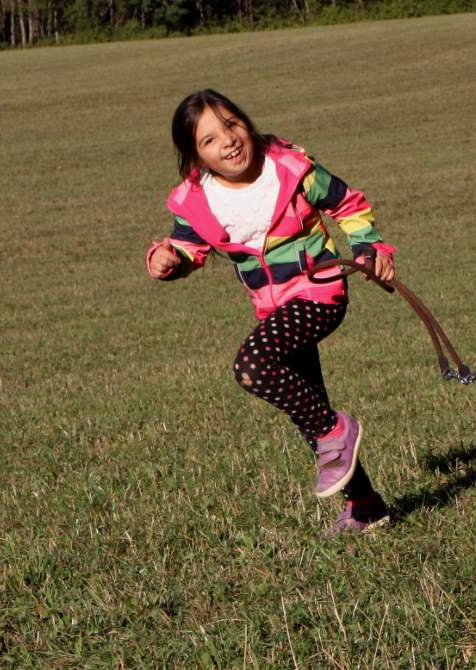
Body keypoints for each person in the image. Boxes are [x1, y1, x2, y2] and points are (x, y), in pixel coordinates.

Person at [146, 89, 393, 535]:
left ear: (247, 121)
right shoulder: (197, 200)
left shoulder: (290, 169)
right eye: (209, 140)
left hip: (319, 293)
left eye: (232, 124)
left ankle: (338, 430)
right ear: (195, 156)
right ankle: (365, 504)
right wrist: (167, 260)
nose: (228, 140)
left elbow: (347, 203)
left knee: (253, 367)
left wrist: (369, 248)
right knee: (308, 408)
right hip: (272, 307)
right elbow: (186, 248)